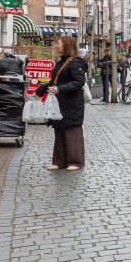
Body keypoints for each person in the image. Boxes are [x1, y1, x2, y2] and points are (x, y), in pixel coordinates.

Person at [36, 36, 89, 170]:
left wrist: (60, 89)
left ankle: (75, 162)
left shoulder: (75, 62)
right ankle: (59, 161)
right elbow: (54, 81)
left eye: (58, 44)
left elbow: (79, 82)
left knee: (72, 130)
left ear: (66, 45)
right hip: (60, 102)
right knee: (59, 129)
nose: (56, 46)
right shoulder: (61, 62)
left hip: (72, 103)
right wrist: (39, 92)